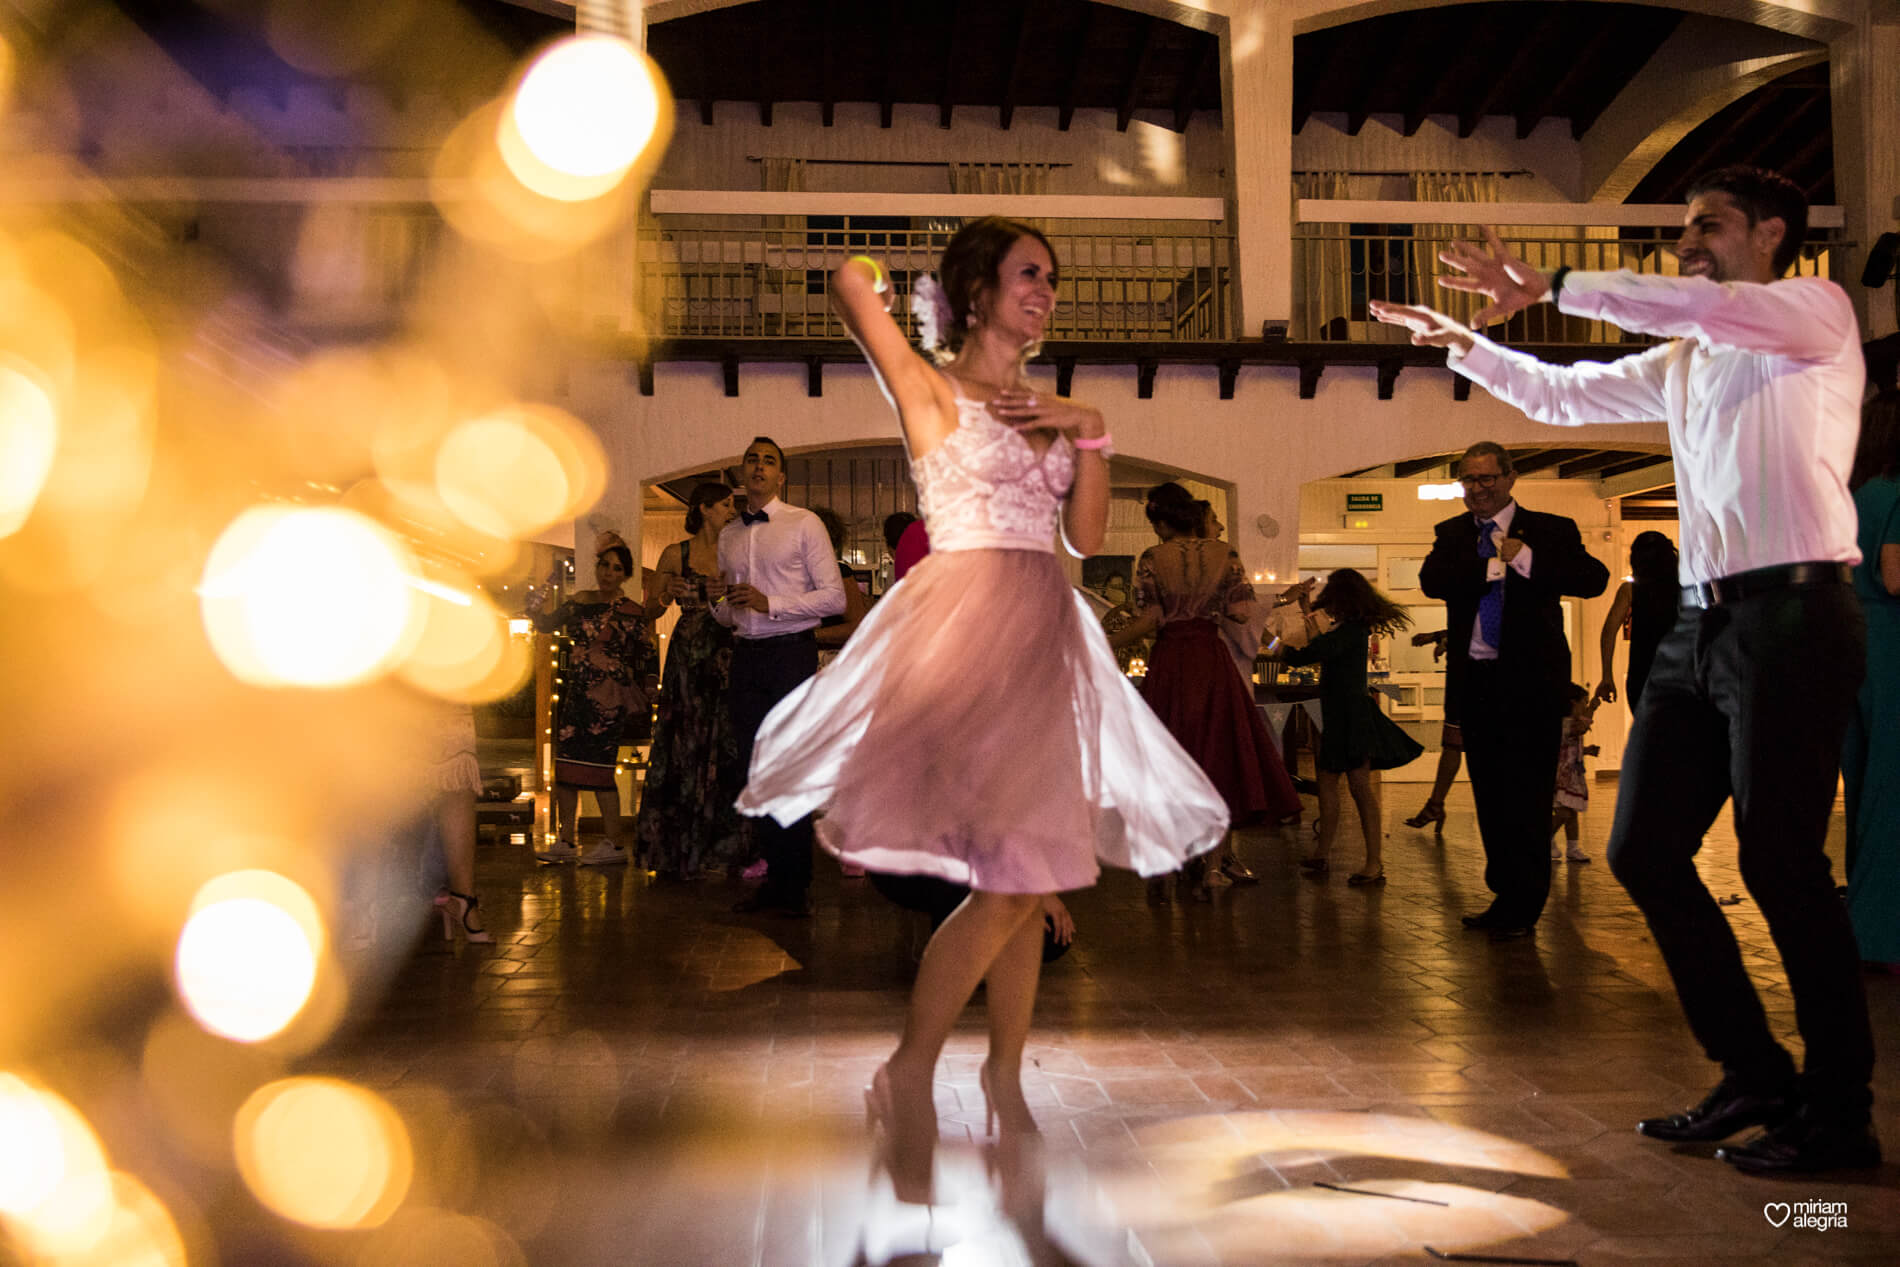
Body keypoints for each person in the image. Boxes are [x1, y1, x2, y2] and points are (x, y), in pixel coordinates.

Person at [1371, 165, 1877, 1172]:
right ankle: (1753, 1072)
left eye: (1708, 223)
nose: (1688, 241)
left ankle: (1839, 1114)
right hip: (1696, 626)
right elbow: (1564, 395)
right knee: (1641, 850)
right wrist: (1467, 346)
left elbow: (1705, 300)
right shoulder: (1687, 356)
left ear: (1772, 233)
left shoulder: (1811, 313)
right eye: (1683, 227)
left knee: (1781, 864)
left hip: (1792, 611)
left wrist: (1553, 283)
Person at [739, 218, 1228, 1203]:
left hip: (1046, 635)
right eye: (1027, 275)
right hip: (967, 637)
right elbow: (846, 280)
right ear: (977, 292)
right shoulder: (929, 388)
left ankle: (1001, 1075)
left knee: (1030, 874)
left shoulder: (1052, 409)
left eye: (1052, 276)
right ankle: (912, 1067)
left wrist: (1087, 428)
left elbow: (1086, 538)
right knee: (1011, 887)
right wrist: (884, 272)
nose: (1045, 290)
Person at [1410, 442, 1608, 937]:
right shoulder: (1453, 534)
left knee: (1529, 794)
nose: (1476, 490)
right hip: (1478, 684)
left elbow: (1594, 580)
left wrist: (1526, 560)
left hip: (1532, 686)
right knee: (1491, 794)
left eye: (1485, 479)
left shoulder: (1550, 530)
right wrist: (1491, 567)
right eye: (1468, 481)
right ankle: (1505, 890)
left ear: (1509, 478)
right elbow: (1433, 581)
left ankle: (1525, 901)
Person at [1110, 482, 1298, 901]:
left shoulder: (1152, 558)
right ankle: (1214, 869)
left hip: (1171, 662)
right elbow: (1240, 612)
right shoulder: (1225, 554)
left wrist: (1107, 643)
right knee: (1219, 757)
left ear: (1161, 522)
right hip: (1211, 662)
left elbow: (1149, 619)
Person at [713, 437, 846, 916]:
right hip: (745, 657)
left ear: (781, 476)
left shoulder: (803, 524)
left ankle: (795, 883)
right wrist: (718, 604)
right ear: (742, 472)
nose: (759, 466)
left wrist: (773, 604)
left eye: (769, 460)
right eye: (752, 459)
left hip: (790, 655)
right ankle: (777, 880)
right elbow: (730, 617)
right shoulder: (729, 535)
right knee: (757, 771)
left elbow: (835, 599)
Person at [528, 534, 666, 866]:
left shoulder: (632, 613)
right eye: (604, 565)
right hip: (576, 693)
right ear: (597, 568)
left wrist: (649, 688)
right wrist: (534, 603)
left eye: (617, 569)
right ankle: (566, 840)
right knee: (566, 770)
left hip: (608, 700)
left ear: (625, 575)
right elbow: (546, 624)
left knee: (602, 771)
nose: (609, 573)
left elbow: (647, 654)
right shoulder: (578, 602)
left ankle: (614, 844)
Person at [1282, 569, 1424, 885]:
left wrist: (1277, 641)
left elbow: (1303, 655)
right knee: (1333, 784)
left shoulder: (1349, 633)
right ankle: (1325, 855)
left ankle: (1372, 864)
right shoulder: (1352, 630)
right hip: (1343, 714)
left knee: (1353, 787)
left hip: (1348, 717)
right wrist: (1306, 611)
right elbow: (1323, 645)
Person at [636, 482, 746, 880]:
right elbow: (650, 610)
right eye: (725, 505)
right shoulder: (674, 554)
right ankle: (678, 850)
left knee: (725, 740)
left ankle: (723, 849)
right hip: (687, 652)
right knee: (684, 740)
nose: (732, 511)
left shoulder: (737, 551)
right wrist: (667, 592)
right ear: (704, 509)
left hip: (728, 651)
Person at [1844, 391, 1900, 968]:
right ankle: (1881, 933)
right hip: (1892, 644)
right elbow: (1896, 574)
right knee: (1892, 793)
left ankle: (1863, 923)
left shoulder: (1859, 495)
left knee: (1865, 787)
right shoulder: (1899, 494)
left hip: (1860, 644)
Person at [1594, 531, 1681, 711]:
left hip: (1642, 674)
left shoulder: (1630, 590)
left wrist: (1607, 675)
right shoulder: (1685, 591)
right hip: (1680, 672)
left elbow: (1609, 631)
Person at [1402, 629, 1461, 833]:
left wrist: (1438, 638)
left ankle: (1435, 805)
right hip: (1467, 684)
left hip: (1469, 685)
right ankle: (1435, 804)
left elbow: (1472, 625)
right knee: (1452, 747)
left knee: (1452, 747)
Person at [1549, 684, 1601, 863]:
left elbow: (1569, 747)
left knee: (1572, 812)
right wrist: (1593, 708)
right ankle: (1544, 839)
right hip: (1561, 776)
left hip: (1572, 775)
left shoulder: (1570, 723)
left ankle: (1573, 848)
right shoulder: (1565, 723)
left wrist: (1586, 750)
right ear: (1573, 703)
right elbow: (1580, 728)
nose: (1585, 707)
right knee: (1563, 813)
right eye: (1584, 703)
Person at [813, 506, 872, 656]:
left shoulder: (839, 573)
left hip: (829, 656)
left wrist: (809, 636)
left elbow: (856, 626)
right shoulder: (796, 573)